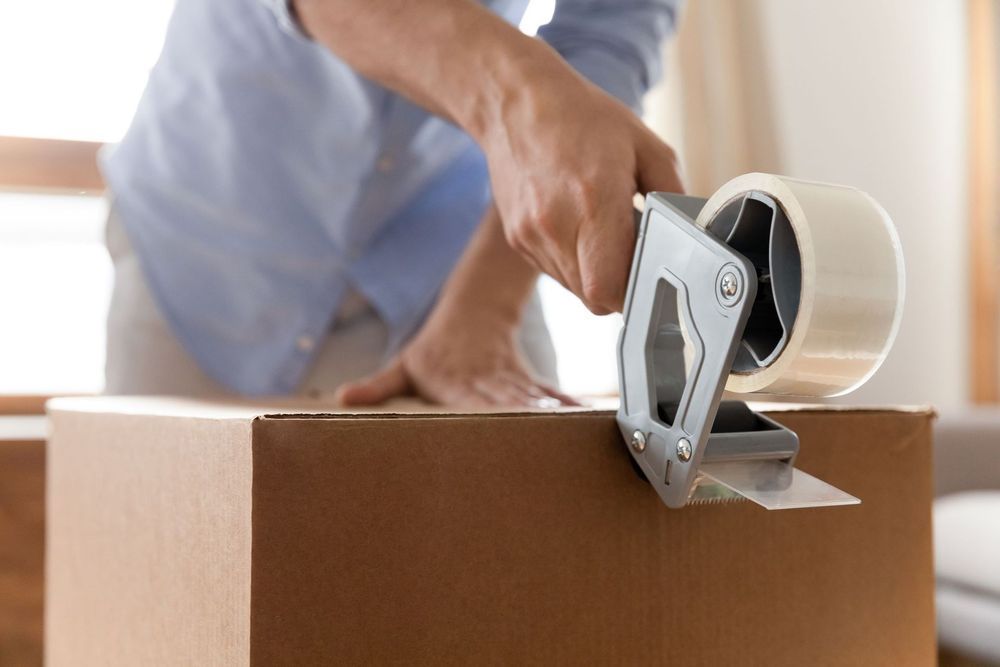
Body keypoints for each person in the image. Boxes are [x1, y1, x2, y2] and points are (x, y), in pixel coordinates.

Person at [102, 0, 684, 407]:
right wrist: (514, 101)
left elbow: (612, 25)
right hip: (203, 238)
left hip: (459, 249)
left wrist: (487, 307)